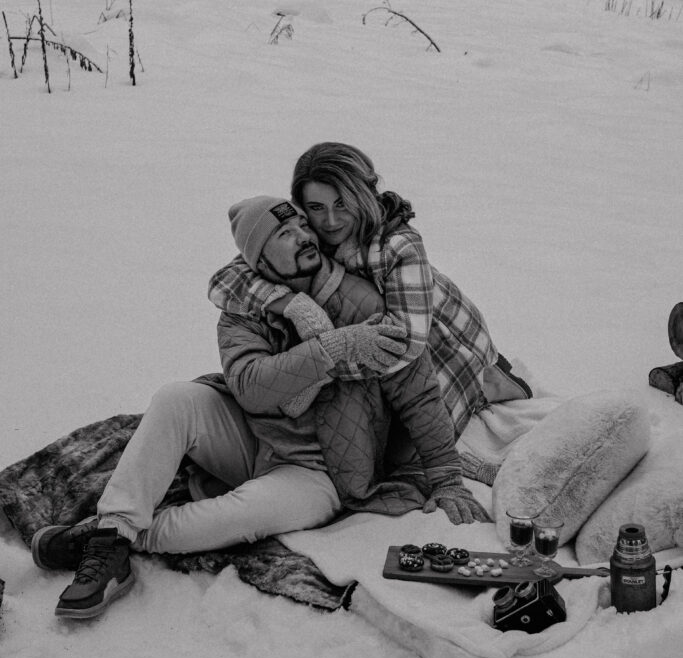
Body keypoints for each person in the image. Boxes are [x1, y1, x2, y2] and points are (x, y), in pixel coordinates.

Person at [32, 196, 488, 619]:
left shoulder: (362, 300)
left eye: (300, 225)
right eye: (283, 235)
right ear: (260, 260)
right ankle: (114, 539)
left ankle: (111, 536)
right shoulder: (243, 310)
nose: (304, 236)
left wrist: (447, 478)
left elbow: (418, 393)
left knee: (242, 516)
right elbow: (251, 387)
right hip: (254, 438)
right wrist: (332, 348)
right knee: (176, 398)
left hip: (320, 471)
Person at [209, 143, 532, 446]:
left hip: (444, 345)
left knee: (408, 451)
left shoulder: (399, 245)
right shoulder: (307, 235)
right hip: (364, 342)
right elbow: (228, 279)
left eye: (341, 204)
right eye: (316, 208)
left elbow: (403, 346)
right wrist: (290, 303)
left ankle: (491, 382)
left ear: (362, 196)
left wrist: (313, 368)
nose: (331, 221)